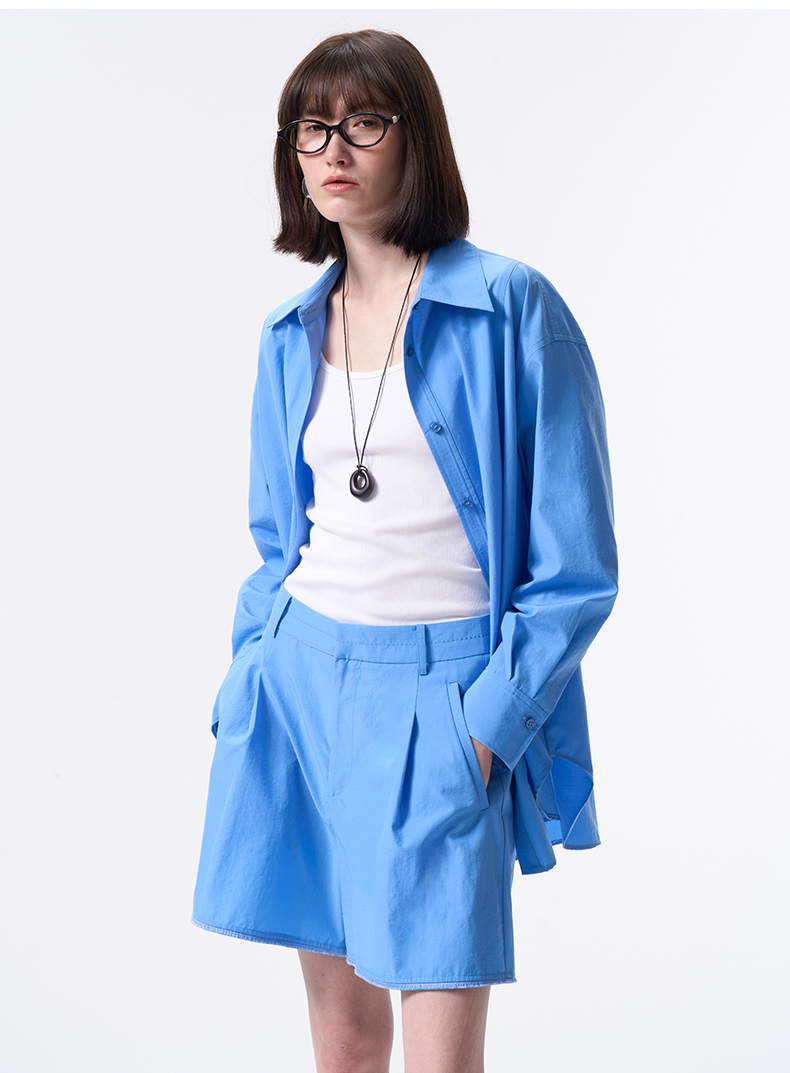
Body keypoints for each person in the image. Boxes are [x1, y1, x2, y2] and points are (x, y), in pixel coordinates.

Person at [192, 28, 617, 1073]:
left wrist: (487, 729)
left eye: (364, 122)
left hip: (441, 697)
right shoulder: (289, 332)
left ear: (416, 137)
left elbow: (574, 569)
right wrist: (251, 671)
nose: (333, 149)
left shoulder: (509, 307)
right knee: (343, 1042)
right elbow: (275, 535)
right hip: (298, 685)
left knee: (439, 1058)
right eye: (311, 128)